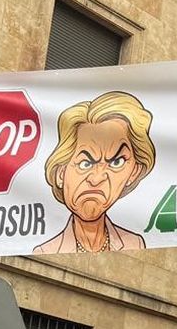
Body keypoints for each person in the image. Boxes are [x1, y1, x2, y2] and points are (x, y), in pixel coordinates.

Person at [33, 90, 156, 253]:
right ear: (61, 173)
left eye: (116, 162)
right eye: (85, 163)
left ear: (133, 172)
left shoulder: (135, 244)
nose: (97, 178)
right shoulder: (45, 251)